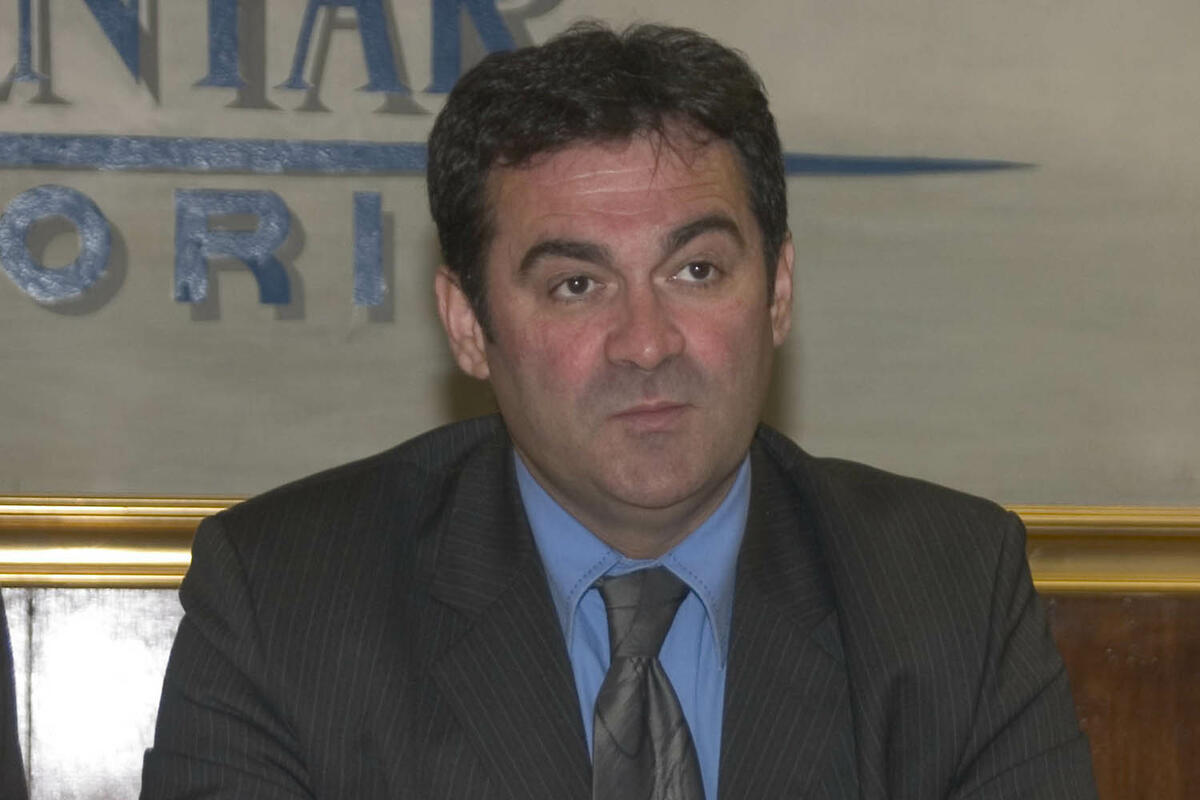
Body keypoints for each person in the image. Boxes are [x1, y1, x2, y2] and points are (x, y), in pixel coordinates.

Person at [141, 23, 1097, 800]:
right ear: (468, 324)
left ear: (777, 292)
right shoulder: (286, 601)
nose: (647, 342)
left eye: (697, 271)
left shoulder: (949, 594)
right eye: (575, 285)